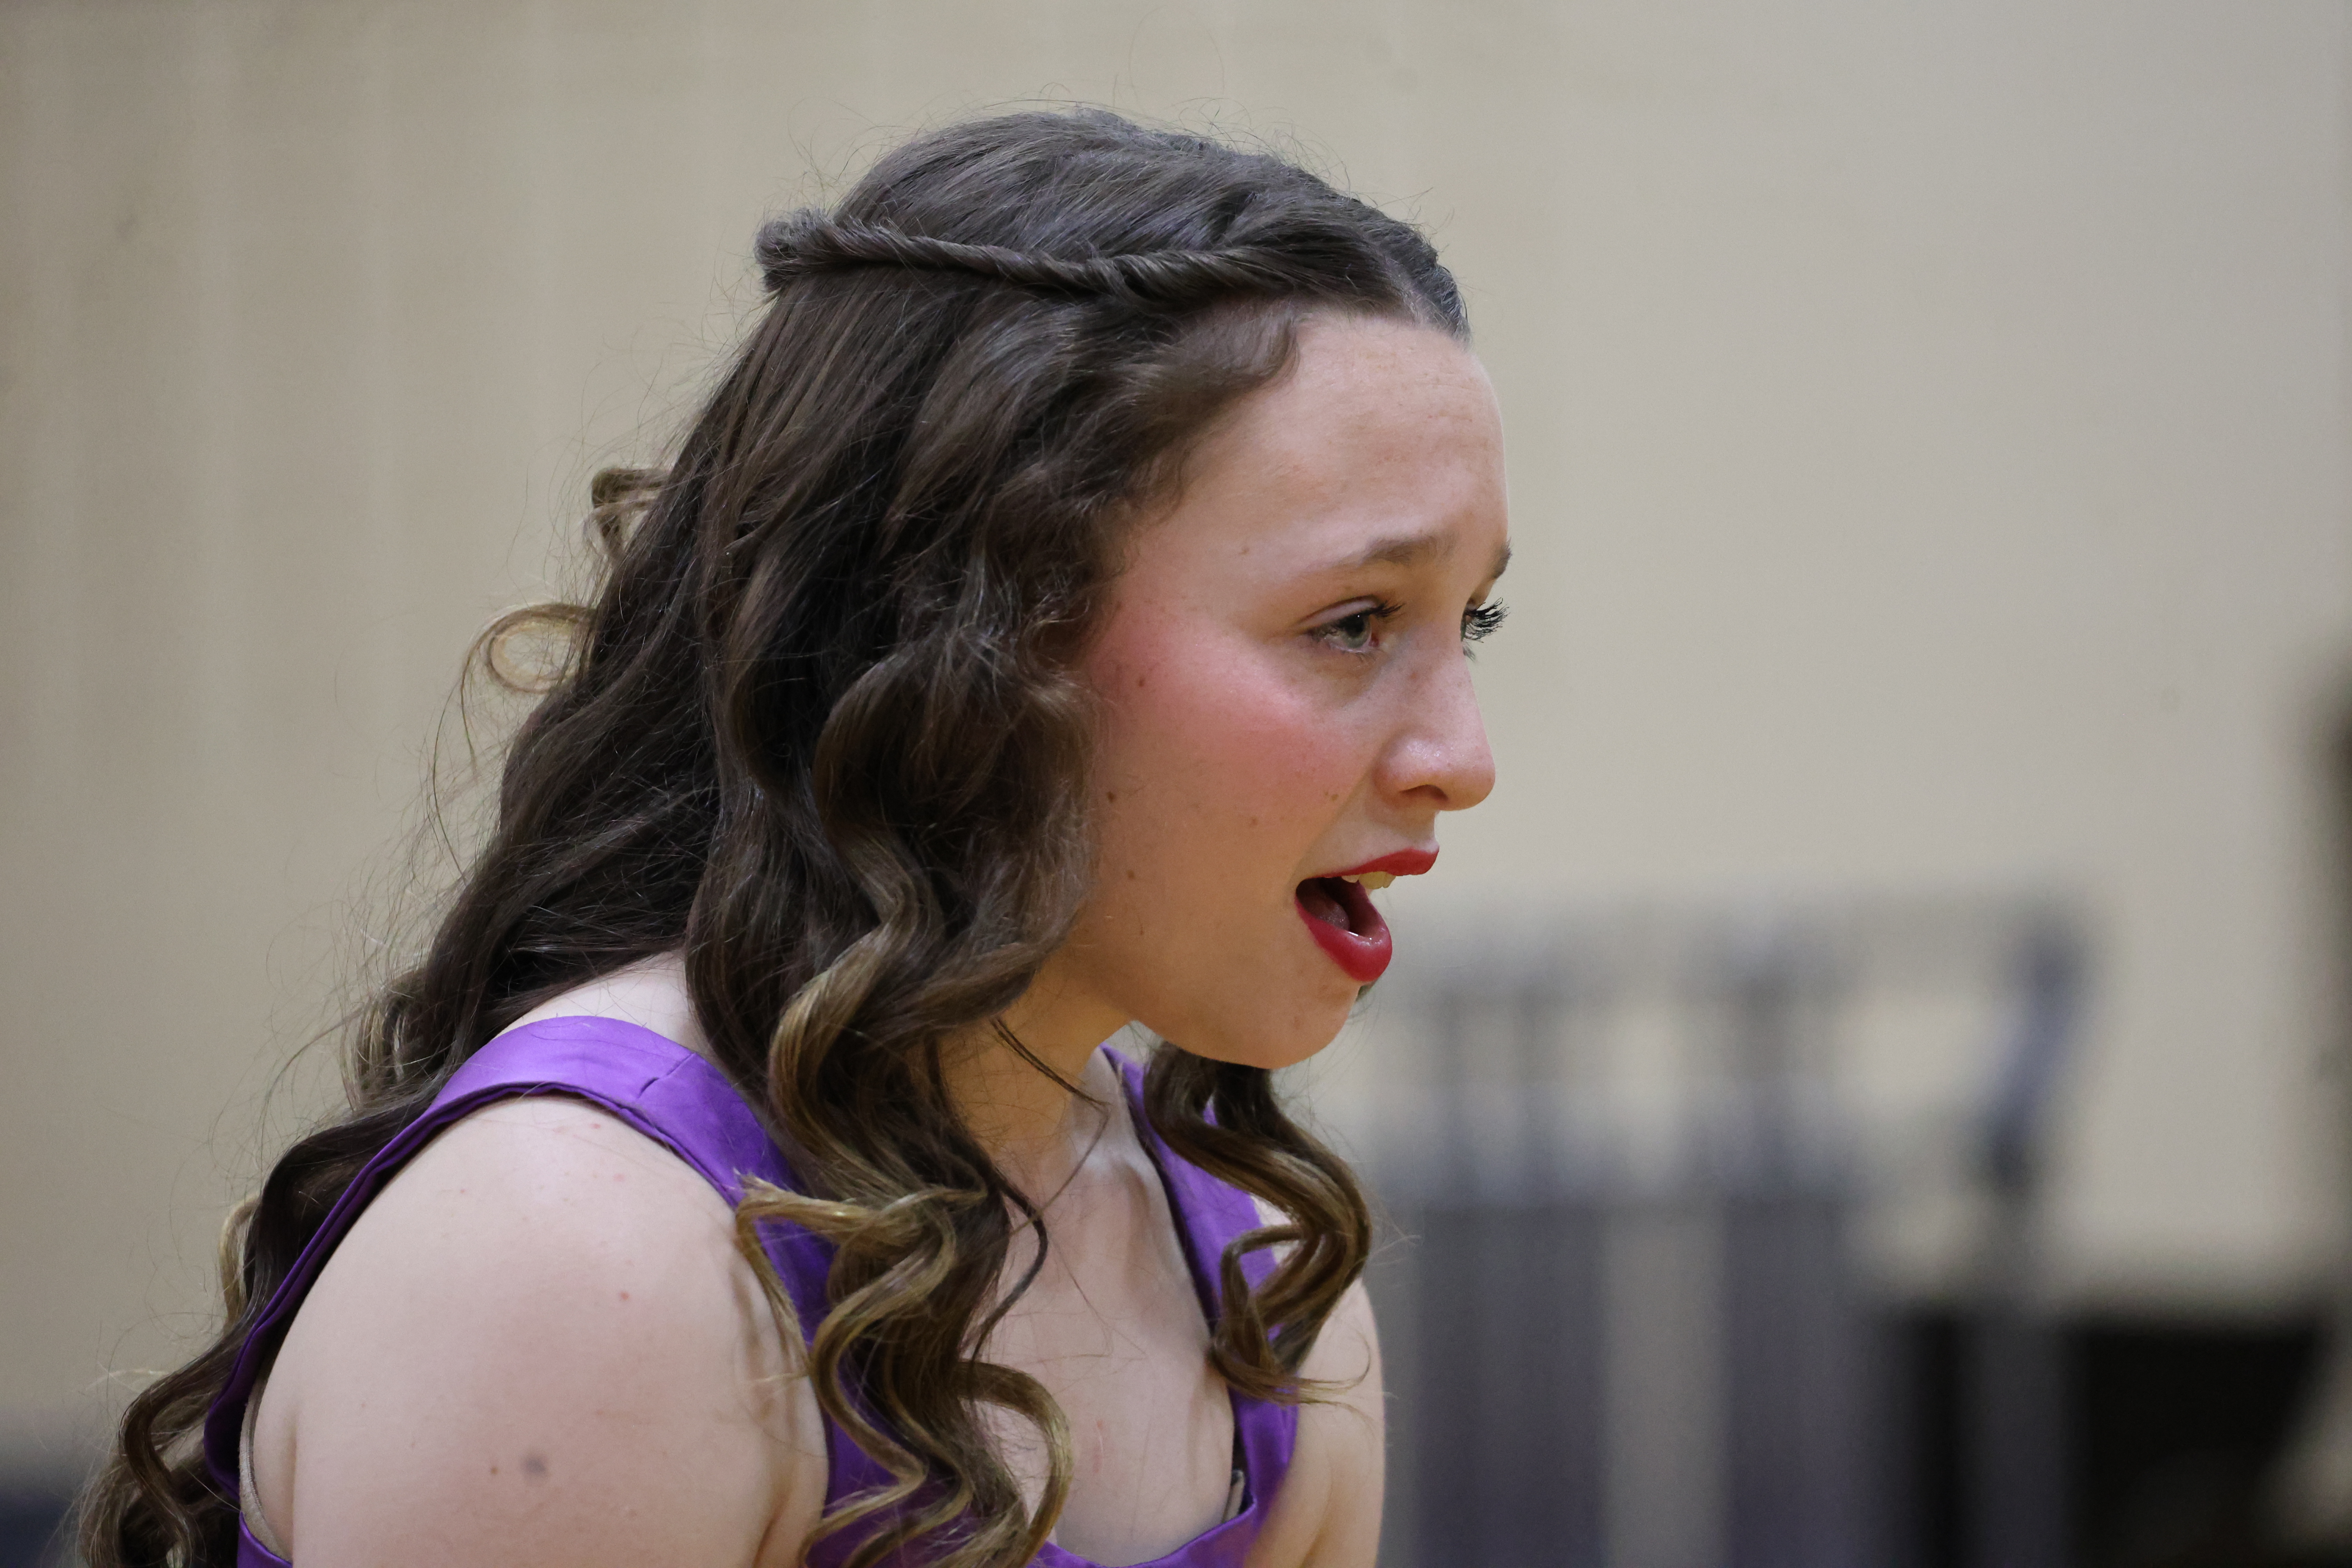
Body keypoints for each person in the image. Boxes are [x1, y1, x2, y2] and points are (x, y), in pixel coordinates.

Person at [82, 108, 1510, 1568]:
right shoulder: (587, 1255)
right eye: (1352, 625)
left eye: (1476, 624)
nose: (1464, 760)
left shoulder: (1265, 1289)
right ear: (977, 630)